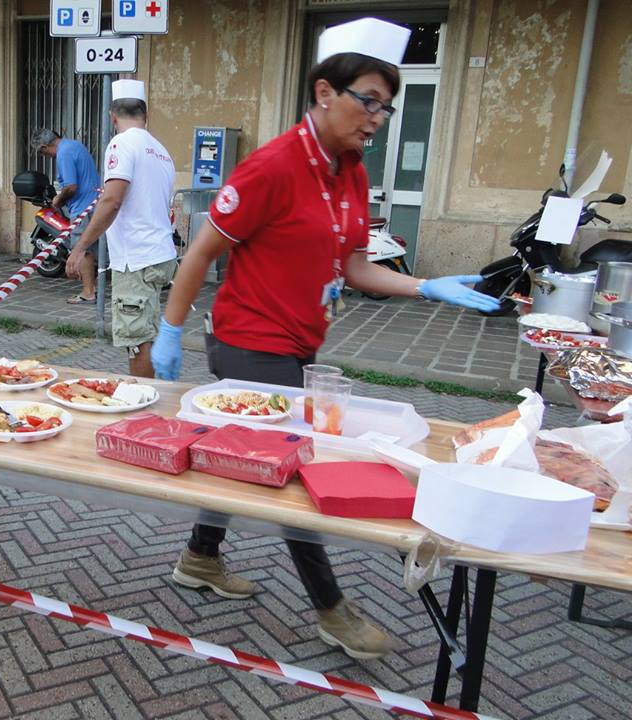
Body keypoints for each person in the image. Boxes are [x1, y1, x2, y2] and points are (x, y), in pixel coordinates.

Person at [149, 18, 502, 660]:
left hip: (302, 340)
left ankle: (200, 557)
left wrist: (427, 287)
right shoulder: (272, 166)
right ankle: (332, 610)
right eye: (367, 100)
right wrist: (169, 330)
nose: (377, 117)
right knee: (293, 468)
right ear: (322, 93)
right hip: (249, 341)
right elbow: (201, 251)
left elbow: (356, 268)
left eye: (386, 108)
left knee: (250, 450)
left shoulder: (351, 172)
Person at [66, 80, 178, 378]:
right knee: (148, 332)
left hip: (136, 258)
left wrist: (79, 247)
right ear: (145, 114)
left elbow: (112, 200)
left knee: (136, 339)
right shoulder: (161, 151)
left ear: (112, 116)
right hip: (160, 255)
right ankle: (157, 394)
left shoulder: (121, 143)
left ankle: (143, 408)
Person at [32, 128, 102, 304]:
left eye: (43, 152)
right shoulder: (75, 146)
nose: (47, 156)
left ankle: (88, 292)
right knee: (94, 249)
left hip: (82, 208)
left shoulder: (64, 153)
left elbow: (71, 186)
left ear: (45, 146)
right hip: (95, 203)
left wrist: (58, 200)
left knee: (82, 249)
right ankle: (94, 288)